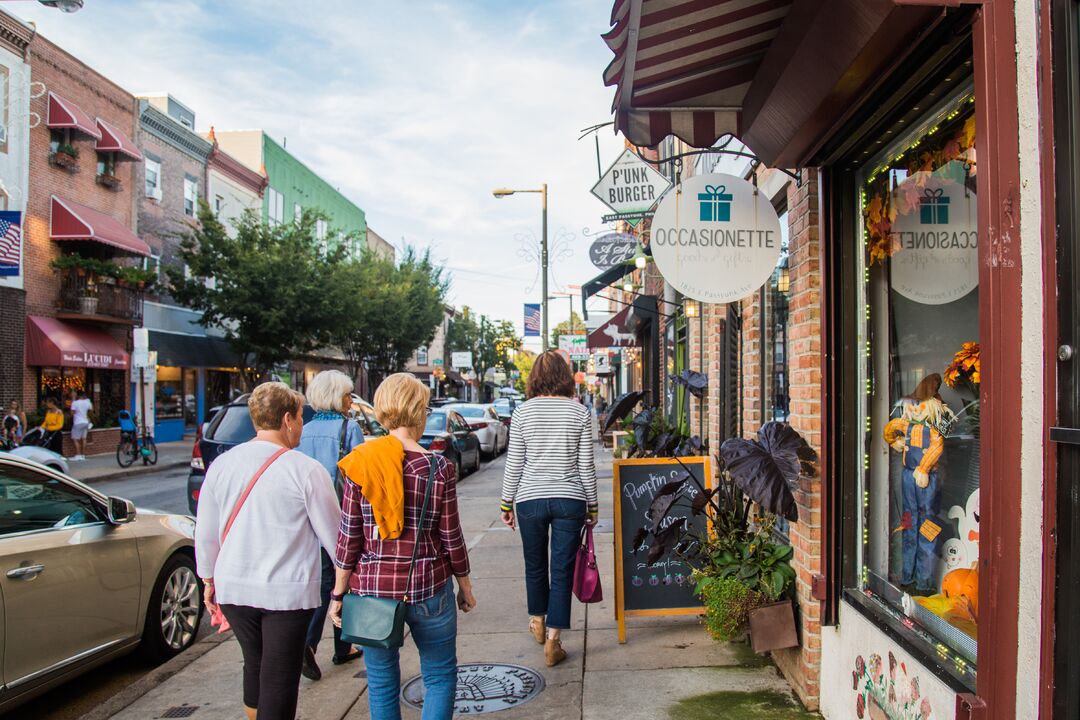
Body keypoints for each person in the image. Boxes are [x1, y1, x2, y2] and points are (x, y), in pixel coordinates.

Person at [329, 373, 476, 720]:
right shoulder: (438, 467)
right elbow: (451, 536)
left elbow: (349, 537)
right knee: (439, 675)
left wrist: (337, 594)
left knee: (380, 682)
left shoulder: (361, 462)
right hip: (429, 586)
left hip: (373, 592)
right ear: (418, 412)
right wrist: (465, 586)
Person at [195, 382, 342, 720]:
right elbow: (335, 538)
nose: (303, 426)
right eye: (302, 418)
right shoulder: (305, 470)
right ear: (288, 419)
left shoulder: (222, 465)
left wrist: (208, 579)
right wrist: (346, 581)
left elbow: (206, 532)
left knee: (255, 663)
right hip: (286, 594)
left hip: (234, 589)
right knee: (279, 675)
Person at [500, 350, 598, 667]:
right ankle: (554, 640)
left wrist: (506, 501)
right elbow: (586, 466)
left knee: (534, 565)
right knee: (562, 570)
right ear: (566, 377)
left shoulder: (522, 413)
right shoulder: (579, 413)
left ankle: (537, 620)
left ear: (534, 378)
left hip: (529, 498)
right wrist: (593, 505)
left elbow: (514, 463)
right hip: (570, 498)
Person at [296, 369, 365, 680]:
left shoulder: (302, 430)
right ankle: (315, 644)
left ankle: (339, 646)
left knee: (323, 579)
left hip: (305, 519)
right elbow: (360, 479)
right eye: (348, 394)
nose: (351, 400)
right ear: (337, 397)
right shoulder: (349, 428)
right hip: (340, 517)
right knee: (340, 580)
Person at [69, 391, 92, 461]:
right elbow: (91, 410)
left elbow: (72, 413)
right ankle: (83, 455)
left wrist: (73, 399)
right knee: (84, 438)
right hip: (86, 422)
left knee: (75, 439)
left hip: (78, 422)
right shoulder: (88, 402)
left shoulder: (75, 403)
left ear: (78, 396)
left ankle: (78, 455)